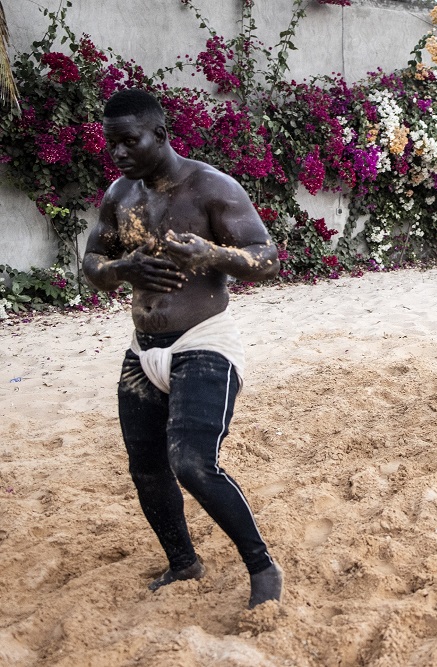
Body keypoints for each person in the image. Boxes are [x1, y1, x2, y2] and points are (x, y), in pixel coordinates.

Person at [82, 88, 283, 608]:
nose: (119, 154)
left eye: (129, 142)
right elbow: (91, 262)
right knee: (146, 467)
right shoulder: (120, 195)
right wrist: (119, 269)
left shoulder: (211, 188)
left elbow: (268, 257)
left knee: (192, 463)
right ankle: (183, 562)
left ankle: (262, 567)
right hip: (141, 350)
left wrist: (212, 253)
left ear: (161, 135)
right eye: (113, 145)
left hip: (204, 342)